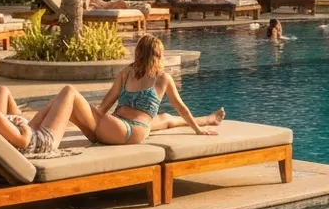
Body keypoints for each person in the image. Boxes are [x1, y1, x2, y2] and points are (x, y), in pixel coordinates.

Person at [70, 35, 223, 145]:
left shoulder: (162, 78)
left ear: (138, 53)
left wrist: (197, 130)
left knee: (167, 117)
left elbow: (181, 107)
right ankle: (207, 120)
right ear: (158, 55)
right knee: (166, 118)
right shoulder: (126, 73)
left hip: (134, 128)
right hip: (125, 126)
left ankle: (207, 120)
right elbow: (102, 109)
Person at [0, 68, 92, 157]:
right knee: (69, 92)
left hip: (25, 136)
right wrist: (24, 127)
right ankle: (97, 131)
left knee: (55, 102)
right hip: (39, 143)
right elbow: (24, 142)